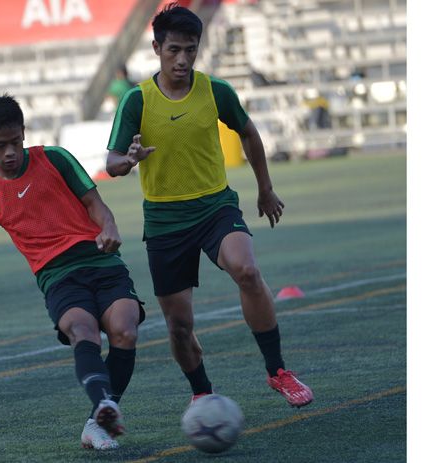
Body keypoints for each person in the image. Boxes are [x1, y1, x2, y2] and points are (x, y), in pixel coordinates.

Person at [0, 94, 145, 450]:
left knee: (125, 330)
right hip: (59, 277)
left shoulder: (54, 158)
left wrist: (109, 225)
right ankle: (103, 408)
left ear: (23, 133)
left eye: (16, 142)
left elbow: (95, 204)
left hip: (101, 262)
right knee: (84, 331)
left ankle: (100, 412)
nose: (10, 152)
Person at [105, 4, 313, 411]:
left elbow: (249, 134)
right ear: (156, 48)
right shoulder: (136, 101)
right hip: (165, 220)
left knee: (248, 271)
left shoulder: (215, 91)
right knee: (180, 326)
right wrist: (128, 160)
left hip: (215, 206)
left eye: (191, 50)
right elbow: (111, 162)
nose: (183, 59)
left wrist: (264, 190)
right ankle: (202, 393)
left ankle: (278, 371)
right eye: (174, 50)